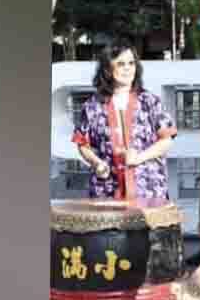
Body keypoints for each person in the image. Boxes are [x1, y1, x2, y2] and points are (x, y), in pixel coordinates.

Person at [72, 38, 177, 199]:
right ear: (107, 68)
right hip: (106, 189)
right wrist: (97, 163)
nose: (127, 69)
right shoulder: (92, 106)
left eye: (131, 63)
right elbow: (82, 144)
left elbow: (166, 140)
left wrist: (138, 158)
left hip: (148, 188)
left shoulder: (150, 101)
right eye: (121, 64)